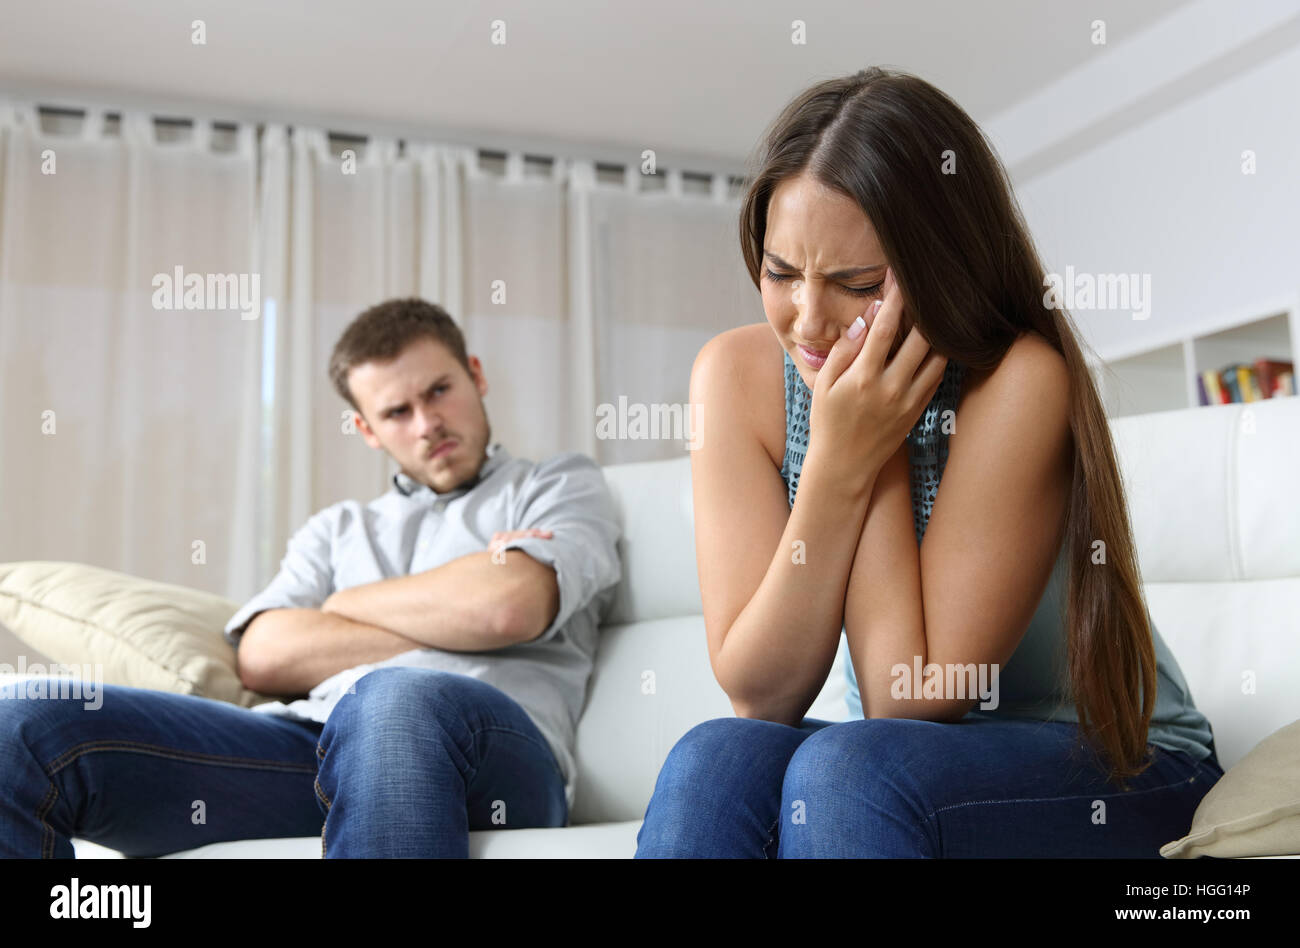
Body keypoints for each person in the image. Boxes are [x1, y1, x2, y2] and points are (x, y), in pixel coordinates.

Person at [634, 67, 1223, 858]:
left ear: (938, 264)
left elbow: (905, 698)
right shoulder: (733, 378)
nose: (808, 318)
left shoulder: (1020, 380)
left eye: (856, 283)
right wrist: (842, 454)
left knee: (852, 771)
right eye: (780, 273)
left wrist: (859, 453)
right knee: (714, 760)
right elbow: (759, 691)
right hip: (899, 759)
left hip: (1126, 766)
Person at [0, 298, 622, 858]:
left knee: (392, 697)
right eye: (397, 411)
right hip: (310, 745)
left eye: (440, 391)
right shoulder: (338, 529)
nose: (427, 423)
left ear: (476, 375)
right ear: (366, 430)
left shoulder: (558, 483)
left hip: (496, 756)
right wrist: (457, 599)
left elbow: (509, 608)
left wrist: (344, 604)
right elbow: (265, 655)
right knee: (21, 722)